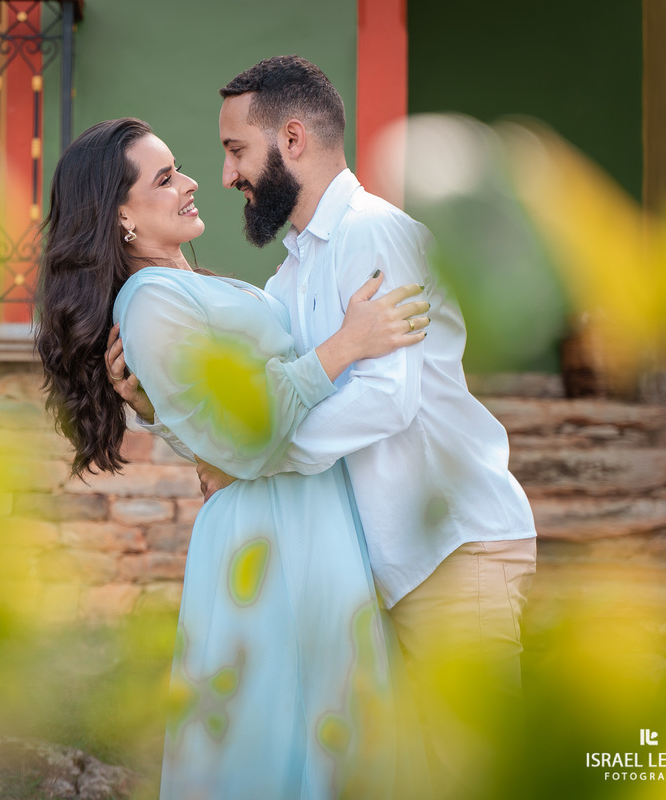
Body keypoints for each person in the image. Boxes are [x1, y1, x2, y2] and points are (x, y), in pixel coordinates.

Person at [107, 56, 538, 796]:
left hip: (451, 554)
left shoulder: (374, 235)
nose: (226, 174)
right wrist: (170, 420)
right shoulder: (288, 278)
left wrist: (257, 457)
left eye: (236, 150)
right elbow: (265, 406)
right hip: (375, 570)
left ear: (292, 139)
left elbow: (385, 400)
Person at [36, 118, 432, 798]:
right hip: (268, 533)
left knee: (327, 723)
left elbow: (221, 433)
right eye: (165, 179)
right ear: (121, 216)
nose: (192, 184)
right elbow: (246, 432)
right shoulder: (150, 302)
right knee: (283, 726)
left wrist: (164, 415)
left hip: (301, 511)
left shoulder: (186, 287)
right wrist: (345, 345)